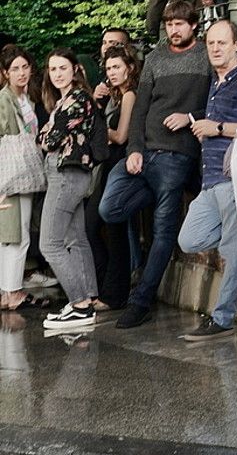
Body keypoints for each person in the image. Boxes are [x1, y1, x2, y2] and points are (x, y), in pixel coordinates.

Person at [99, 0, 210, 330]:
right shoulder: (156, 58)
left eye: (179, 24)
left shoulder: (205, 57)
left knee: (164, 232)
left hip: (178, 154)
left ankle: (141, 302)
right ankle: (158, 193)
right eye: (169, 24)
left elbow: (218, 103)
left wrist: (191, 117)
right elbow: (140, 110)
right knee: (109, 209)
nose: (173, 30)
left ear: (192, 25)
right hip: (144, 154)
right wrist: (134, 149)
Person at [177, 19, 237, 341]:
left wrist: (216, 128)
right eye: (211, 44)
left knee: (235, 252)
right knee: (189, 240)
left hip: (233, 178)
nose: (216, 49)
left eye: (222, 43)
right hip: (210, 180)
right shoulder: (214, 83)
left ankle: (222, 317)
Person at [36, 48, 99, 332]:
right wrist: (47, 135)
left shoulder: (77, 99)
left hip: (67, 174)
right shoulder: (66, 100)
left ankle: (80, 305)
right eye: (53, 69)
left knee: (49, 243)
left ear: (75, 70)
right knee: (75, 238)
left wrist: (47, 136)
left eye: (63, 68)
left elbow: (51, 139)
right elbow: (47, 135)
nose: (58, 74)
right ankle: (87, 301)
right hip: (69, 174)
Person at [86, 45, 139, 312]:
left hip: (120, 163)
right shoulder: (114, 96)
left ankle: (113, 293)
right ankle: (107, 289)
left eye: (117, 67)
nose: (112, 72)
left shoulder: (129, 95)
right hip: (108, 164)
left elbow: (121, 136)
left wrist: (96, 130)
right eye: (108, 68)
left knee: (107, 227)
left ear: (129, 67)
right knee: (97, 227)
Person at [0, 46, 45, 312]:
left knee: (13, 234)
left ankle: (8, 291)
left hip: (22, 174)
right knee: (16, 235)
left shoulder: (26, 98)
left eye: (25, 67)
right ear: (5, 72)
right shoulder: (5, 99)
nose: (21, 73)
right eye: (14, 68)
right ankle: (13, 292)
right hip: (11, 176)